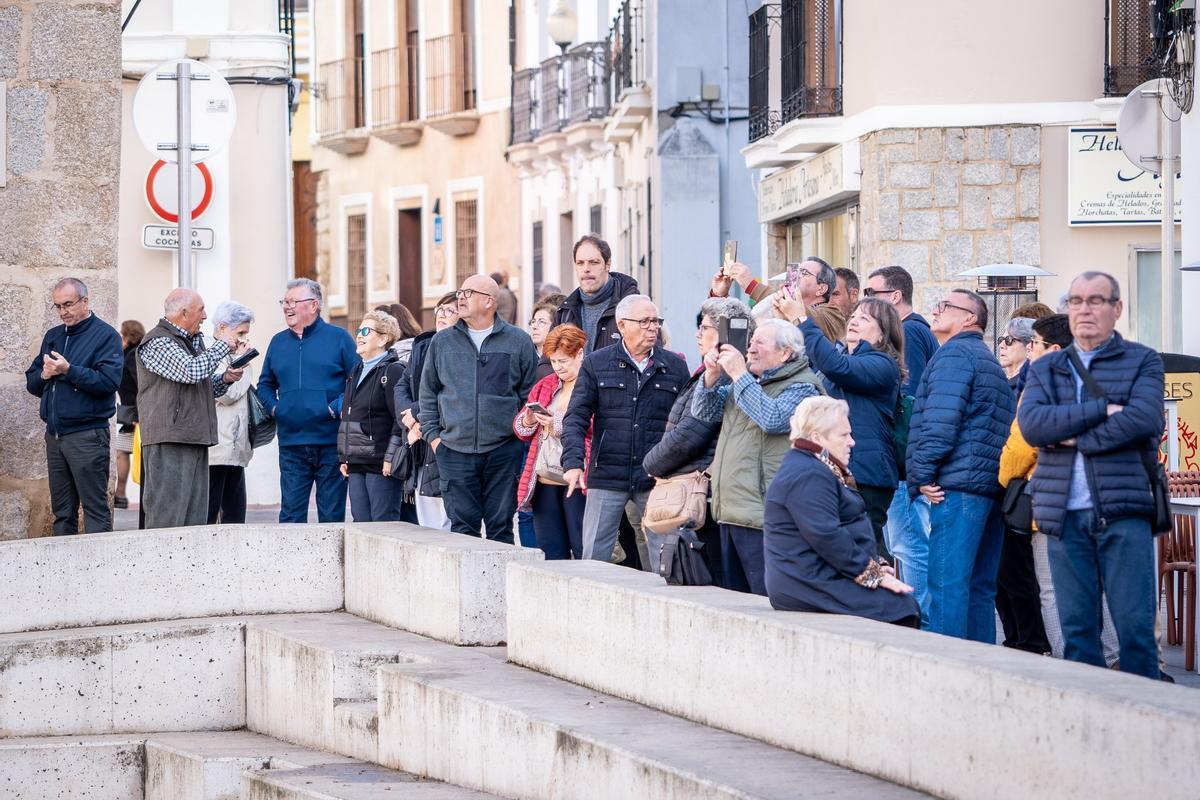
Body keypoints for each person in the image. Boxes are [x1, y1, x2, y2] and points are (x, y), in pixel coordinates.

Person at [1019, 272, 1165, 680]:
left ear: (1116, 308)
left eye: (1096, 300)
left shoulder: (1143, 361)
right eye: (1076, 301)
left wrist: (1067, 436)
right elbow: (1033, 427)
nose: (1084, 309)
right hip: (1064, 513)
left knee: (1135, 631)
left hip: (1123, 511)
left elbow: (1142, 420)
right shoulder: (1047, 369)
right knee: (1078, 634)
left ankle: (1144, 724)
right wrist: (1101, 411)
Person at [905, 288, 1015, 641]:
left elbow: (938, 423)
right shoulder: (984, 359)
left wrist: (921, 475)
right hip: (987, 488)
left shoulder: (954, 355)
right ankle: (980, 669)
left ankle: (948, 674)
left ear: (970, 318)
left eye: (946, 305)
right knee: (980, 589)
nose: (936, 310)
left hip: (958, 487)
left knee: (947, 585)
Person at [692, 318, 824, 594]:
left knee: (763, 603)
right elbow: (704, 413)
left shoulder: (803, 386)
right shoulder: (752, 383)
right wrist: (712, 375)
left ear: (786, 352)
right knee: (736, 605)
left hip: (764, 515)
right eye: (750, 343)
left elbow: (773, 418)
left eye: (759, 343)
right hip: (730, 511)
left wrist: (740, 375)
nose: (749, 350)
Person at [764, 397, 920, 625]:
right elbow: (827, 535)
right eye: (844, 435)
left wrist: (877, 566)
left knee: (903, 604)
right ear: (818, 437)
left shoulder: (811, 466)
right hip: (805, 581)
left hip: (813, 575)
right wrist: (872, 575)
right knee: (902, 609)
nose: (852, 442)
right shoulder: (808, 473)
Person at [562, 295, 689, 568]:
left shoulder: (675, 366)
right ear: (621, 325)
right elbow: (576, 417)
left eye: (656, 321)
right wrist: (573, 463)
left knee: (666, 561)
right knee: (594, 558)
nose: (652, 327)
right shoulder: (597, 363)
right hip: (607, 473)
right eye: (644, 321)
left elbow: (685, 423)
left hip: (657, 477)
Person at [642, 298, 755, 586]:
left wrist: (652, 462)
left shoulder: (732, 375)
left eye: (704, 327)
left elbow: (692, 433)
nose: (697, 333)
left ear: (724, 335)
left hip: (706, 492)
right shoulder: (711, 373)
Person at [420, 274, 539, 542]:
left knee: (500, 528)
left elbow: (529, 394)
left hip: (502, 452)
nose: (460, 297)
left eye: (468, 292)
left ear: (489, 301)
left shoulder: (518, 341)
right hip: (454, 451)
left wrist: (518, 442)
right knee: (462, 531)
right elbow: (428, 393)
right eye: (460, 291)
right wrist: (435, 439)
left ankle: (500, 584)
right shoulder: (442, 342)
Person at [793, 298, 905, 559]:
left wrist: (803, 320)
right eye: (853, 316)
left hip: (866, 474)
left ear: (882, 334)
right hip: (838, 468)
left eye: (864, 318)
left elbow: (837, 367)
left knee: (865, 549)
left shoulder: (883, 364)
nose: (854, 321)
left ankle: (884, 596)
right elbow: (827, 362)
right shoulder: (845, 359)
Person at [865, 265, 939, 617]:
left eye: (871, 293)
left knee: (908, 543)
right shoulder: (919, 332)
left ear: (894, 297)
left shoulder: (911, 333)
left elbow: (906, 401)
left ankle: (921, 616)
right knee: (903, 541)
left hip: (902, 461)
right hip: (905, 460)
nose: (865, 301)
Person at [137, 288, 243, 529]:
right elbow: (191, 371)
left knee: (195, 518)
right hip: (169, 439)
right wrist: (222, 346)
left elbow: (199, 385)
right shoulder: (158, 341)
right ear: (184, 313)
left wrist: (224, 379)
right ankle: (162, 565)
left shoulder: (192, 342)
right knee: (167, 515)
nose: (205, 316)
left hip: (193, 436)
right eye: (201, 310)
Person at [25, 278, 123, 534]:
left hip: (87, 435)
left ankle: (100, 571)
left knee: (95, 510)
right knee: (63, 512)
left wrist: (69, 370)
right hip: (55, 436)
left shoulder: (106, 335)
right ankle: (63, 572)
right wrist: (45, 375)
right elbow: (32, 382)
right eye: (57, 306)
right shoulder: (53, 336)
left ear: (85, 301)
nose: (62, 312)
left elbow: (108, 382)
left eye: (68, 304)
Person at [257, 278, 358, 523]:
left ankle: (332, 563)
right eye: (285, 301)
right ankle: (290, 562)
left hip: (331, 443)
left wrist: (334, 409)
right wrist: (276, 408)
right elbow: (265, 384)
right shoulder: (277, 342)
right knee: (291, 516)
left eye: (293, 301)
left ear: (314, 305)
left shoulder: (339, 338)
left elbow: (357, 382)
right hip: (292, 444)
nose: (287, 307)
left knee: (331, 516)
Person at [515, 325, 590, 559]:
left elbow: (596, 426)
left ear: (580, 353)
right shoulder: (546, 384)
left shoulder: (591, 382)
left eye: (564, 361)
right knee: (550, 549)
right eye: (554, 362)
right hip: (544, 477)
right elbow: (521, 431)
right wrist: (528, 418)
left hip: (578, 477)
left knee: (582, 546)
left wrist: (555, 423)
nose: (558, 368)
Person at [390, 292, 459, 531]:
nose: (442, 313)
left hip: (442, 434)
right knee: (424, 513)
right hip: (417, 437)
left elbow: (451, 388)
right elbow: (402, 384)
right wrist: (409, 417)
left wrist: (418, 412)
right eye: (440, 308)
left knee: (445, 515)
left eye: (450, 310)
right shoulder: (423, 343)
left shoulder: (461, 347)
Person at [339, 310, 407, 522]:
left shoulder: (392, 371)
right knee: (360, 524)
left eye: (366, 331)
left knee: (383, 524)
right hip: (356, 462)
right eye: (359, 330)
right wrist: (344, 456)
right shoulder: (355, 371)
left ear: (384, 338)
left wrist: (390, 458)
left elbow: (399, 419)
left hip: (381, 465)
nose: (359, 335)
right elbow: (348, 415)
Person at [207, 302, 256, 525]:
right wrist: (244, 364)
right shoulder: (211, 353)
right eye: (240, 333)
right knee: (210, 514)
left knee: (236, 517)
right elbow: (228, 394)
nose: (244, 339)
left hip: (235, 449)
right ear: (223, 327)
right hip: (217, 450)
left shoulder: (230, 356)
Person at [553, 234, 639, 354]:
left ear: (607, 264)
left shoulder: (634, 307)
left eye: (594, 262)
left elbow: (650, 358)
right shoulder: (565, 312)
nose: (586, 269)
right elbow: (547, 362)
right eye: (580, 263)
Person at [113, 319, 145, 510]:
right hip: (132, 412)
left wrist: (139, 413)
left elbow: (141, 384)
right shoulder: (131, 353)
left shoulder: (133, 355)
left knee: (125, 452)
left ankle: (121, 493)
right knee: (122, 451)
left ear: (128, 335)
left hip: (136, 413)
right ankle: (120, 494)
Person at [998, 316, 1034, 393]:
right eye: (1001, 340)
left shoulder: (1030, 386)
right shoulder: (998, 381)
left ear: (1029, 347)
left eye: (1009, 340)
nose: (1001, 345)